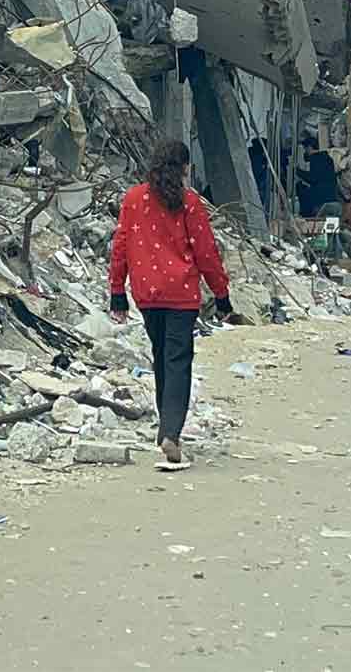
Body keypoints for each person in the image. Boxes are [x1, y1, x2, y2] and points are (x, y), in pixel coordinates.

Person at [109, 138, 234, 470]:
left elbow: (120, 246)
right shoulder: (189, 202)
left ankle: (167, 427)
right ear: (184, 168)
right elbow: (206, 252)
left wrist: (116, 292)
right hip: (181, 294)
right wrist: (221, 295)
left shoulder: (133, 199)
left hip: (147, 293)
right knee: (178, 360)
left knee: (162, 358)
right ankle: (171, 433)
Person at [295, 135, 341, 217]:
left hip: (320, 202)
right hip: (332, 198)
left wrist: (298, 172)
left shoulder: (314, 159)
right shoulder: (328, 158)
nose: (305, 152)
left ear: (309, 147)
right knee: (330, 227)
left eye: (305, 149)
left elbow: (313, 178)